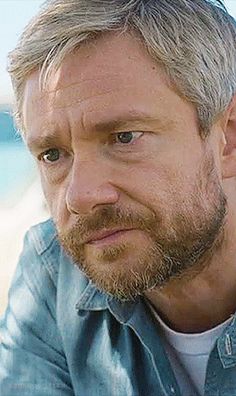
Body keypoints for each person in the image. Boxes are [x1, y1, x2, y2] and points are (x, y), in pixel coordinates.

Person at [1, 0, 236, 395]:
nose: (80, 196)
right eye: (53, 155)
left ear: (227, 138)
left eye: (124, 137)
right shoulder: (53, 274)